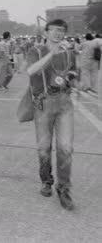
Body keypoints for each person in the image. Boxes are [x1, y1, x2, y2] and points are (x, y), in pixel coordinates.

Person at [26, 19, 78, 210]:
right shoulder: (36, 51)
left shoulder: (69, 52)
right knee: (43, 148)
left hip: (64, 102)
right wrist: (52, 54)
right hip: (43, 103)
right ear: (46, 32)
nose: (58, 33)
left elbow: (74, 72)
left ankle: (63, 189)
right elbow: (31, 70)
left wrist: (68, 79)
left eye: (62, 31)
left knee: (65, 148)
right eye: (54, 30)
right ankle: (46, 180)